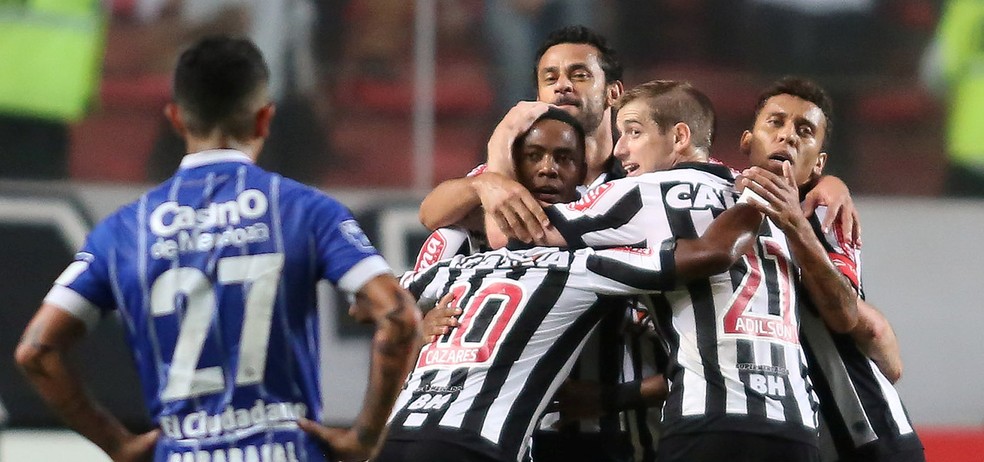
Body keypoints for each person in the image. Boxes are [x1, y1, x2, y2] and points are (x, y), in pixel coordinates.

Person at [14, 37, 419, 462]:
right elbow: (398, 315)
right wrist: (365, 437)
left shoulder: (123, 231)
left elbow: (37, 351)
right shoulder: (305, 211)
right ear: (264, 119)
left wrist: (118, 444)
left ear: (176, 118)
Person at [380, 99, 766, 462]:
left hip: (602, 432)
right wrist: (417, 327)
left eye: (564, 158)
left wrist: (612, 396)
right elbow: (424, 241)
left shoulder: (612, 223)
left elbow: (375, 297)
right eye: (533, 156)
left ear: (584, 173)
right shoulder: (471, 243)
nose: (548, 168)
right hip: (488, 438)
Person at [512, 79, 862, 461]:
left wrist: (495, 167)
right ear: (746, 141)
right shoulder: (789, 208)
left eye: (633, 131)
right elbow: (853, 321)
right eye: (775, 123)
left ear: (679, 136)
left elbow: (519, 231)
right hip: (794, 429)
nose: (620, 149)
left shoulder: (643, 191)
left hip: (706, 423)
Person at [740, 80, 925, 460]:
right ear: (747, 141)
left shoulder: (826, 215)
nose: (788, 135)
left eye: (804, 131)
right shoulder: (713, 204)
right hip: (788, 437)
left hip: (870, 433)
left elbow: (844, 313)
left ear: (819, 164)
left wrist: (795, 221)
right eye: (775, 122)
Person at [921, 0, 984, 196]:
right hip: (970, 149)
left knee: (961, 224)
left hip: (971, 147)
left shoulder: (966, 6)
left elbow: (937, 71)